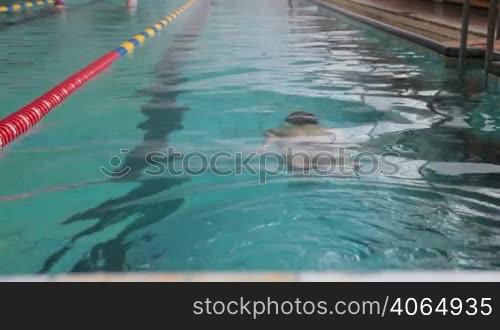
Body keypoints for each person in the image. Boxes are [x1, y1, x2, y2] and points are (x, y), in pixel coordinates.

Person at [260, 111, 357, 172]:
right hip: (331, 154)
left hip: (301, 160)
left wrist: (264, 147)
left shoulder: (290, 130)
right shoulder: (333, 131)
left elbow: (270, 133)